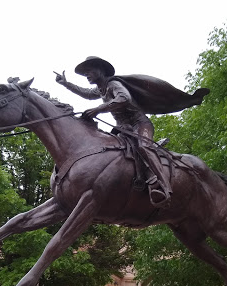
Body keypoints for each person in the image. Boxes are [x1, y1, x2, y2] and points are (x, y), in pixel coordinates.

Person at [55, 56, 209, 208]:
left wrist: (98, 109)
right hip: (123, 129)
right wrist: (66, 84)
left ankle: (162, 184)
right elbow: (87, 94)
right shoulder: (100, 89)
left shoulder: (113, 84)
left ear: (100, 70)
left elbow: (124, 98)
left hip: (139, 124)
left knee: (143, 147)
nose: (86, 75)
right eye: (85, 73)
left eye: (89, 71)